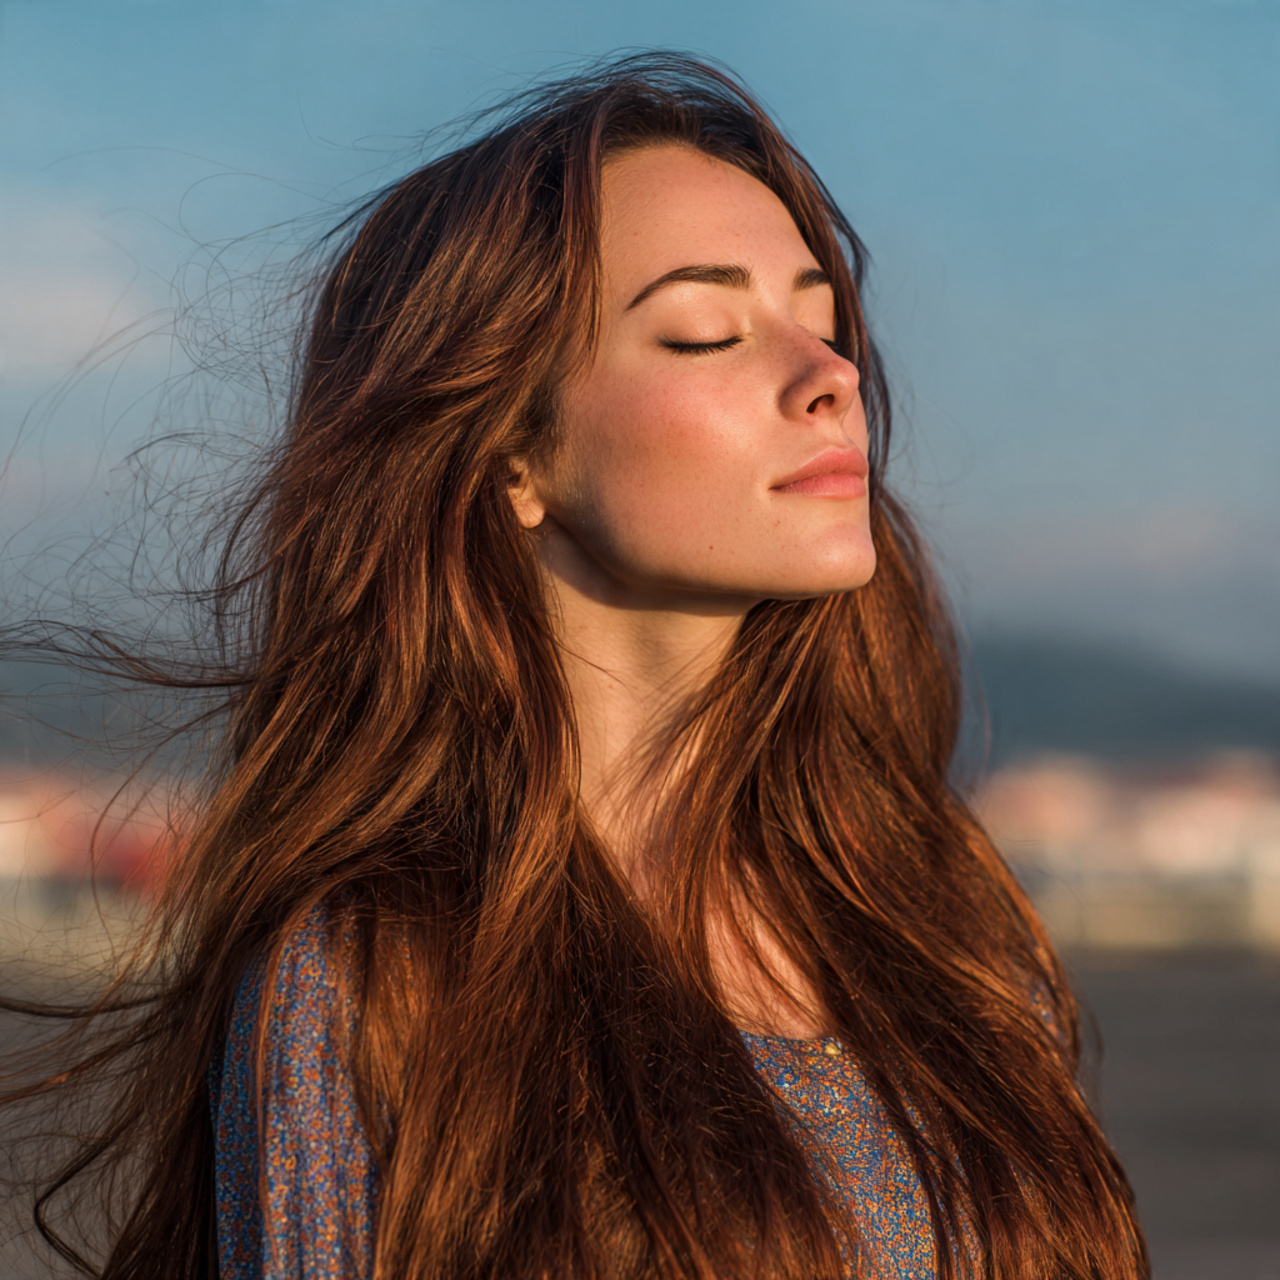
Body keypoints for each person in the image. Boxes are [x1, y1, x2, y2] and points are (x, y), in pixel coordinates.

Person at [3, 53, 1148, 1280]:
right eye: (706, 332)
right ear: (509, 454)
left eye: (822, 322)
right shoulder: (377, 981)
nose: (831, 378)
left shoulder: (936, 912)